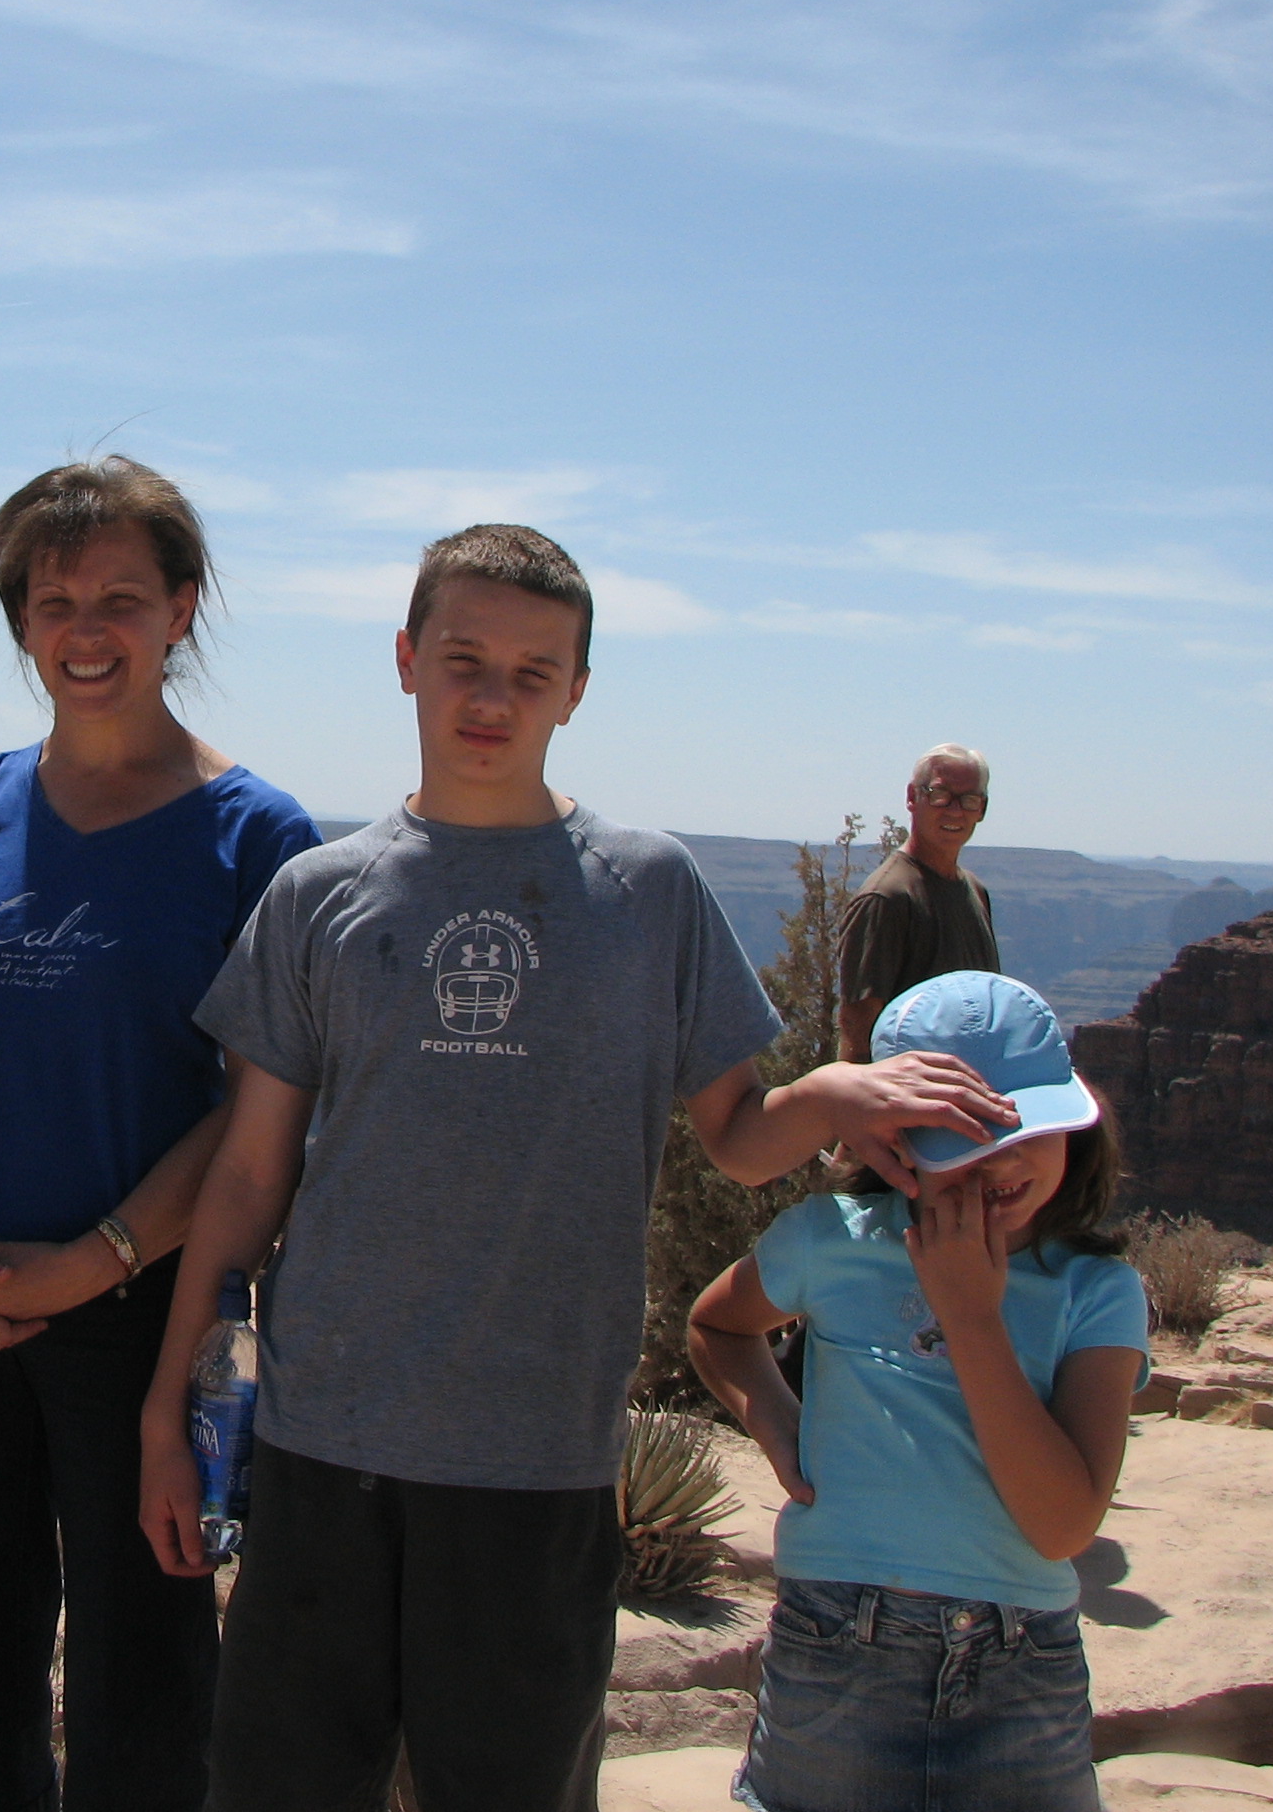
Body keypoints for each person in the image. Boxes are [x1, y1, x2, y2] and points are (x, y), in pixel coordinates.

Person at [140, 525, 1018, 1812]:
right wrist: (176, 1408)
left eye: (531, 672)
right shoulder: (319, 894)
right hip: (324, 1445)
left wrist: (829, 1097)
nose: (492, 699)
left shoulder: (644, 889)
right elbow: (244, 1177)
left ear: (576, 690)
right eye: (463, 662)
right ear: (403, 663)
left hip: (537, 1455)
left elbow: (732, 1126)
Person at [0, 457, 321, 1812]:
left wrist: (94, 1260)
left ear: (182, 610)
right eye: (53, 599)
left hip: (145, 1318)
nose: (86, 628)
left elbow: (255, 1109)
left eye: (121, 595)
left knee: (144, 1691)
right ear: (21, 621)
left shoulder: (254, 835)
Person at [691, 971, 1148, 1812]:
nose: (1001, 1162)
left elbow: (1062, 1524)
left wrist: (972, 1319)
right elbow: (718, 1325)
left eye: (1024, 1128)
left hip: (1019, 1672)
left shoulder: (1098, 1292)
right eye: (960, 1135)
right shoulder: (831, 1242)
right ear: (889, 1136)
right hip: (835, 1647)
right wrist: (776, 1424)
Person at [836, 744, 1000, 1061]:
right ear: (913, 797)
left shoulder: (974, 891)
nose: (955, 811)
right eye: (940, 795)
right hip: (910, 1100)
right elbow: (858, 1027)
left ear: (982, 808)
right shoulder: (888, 898)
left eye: (969, 800)